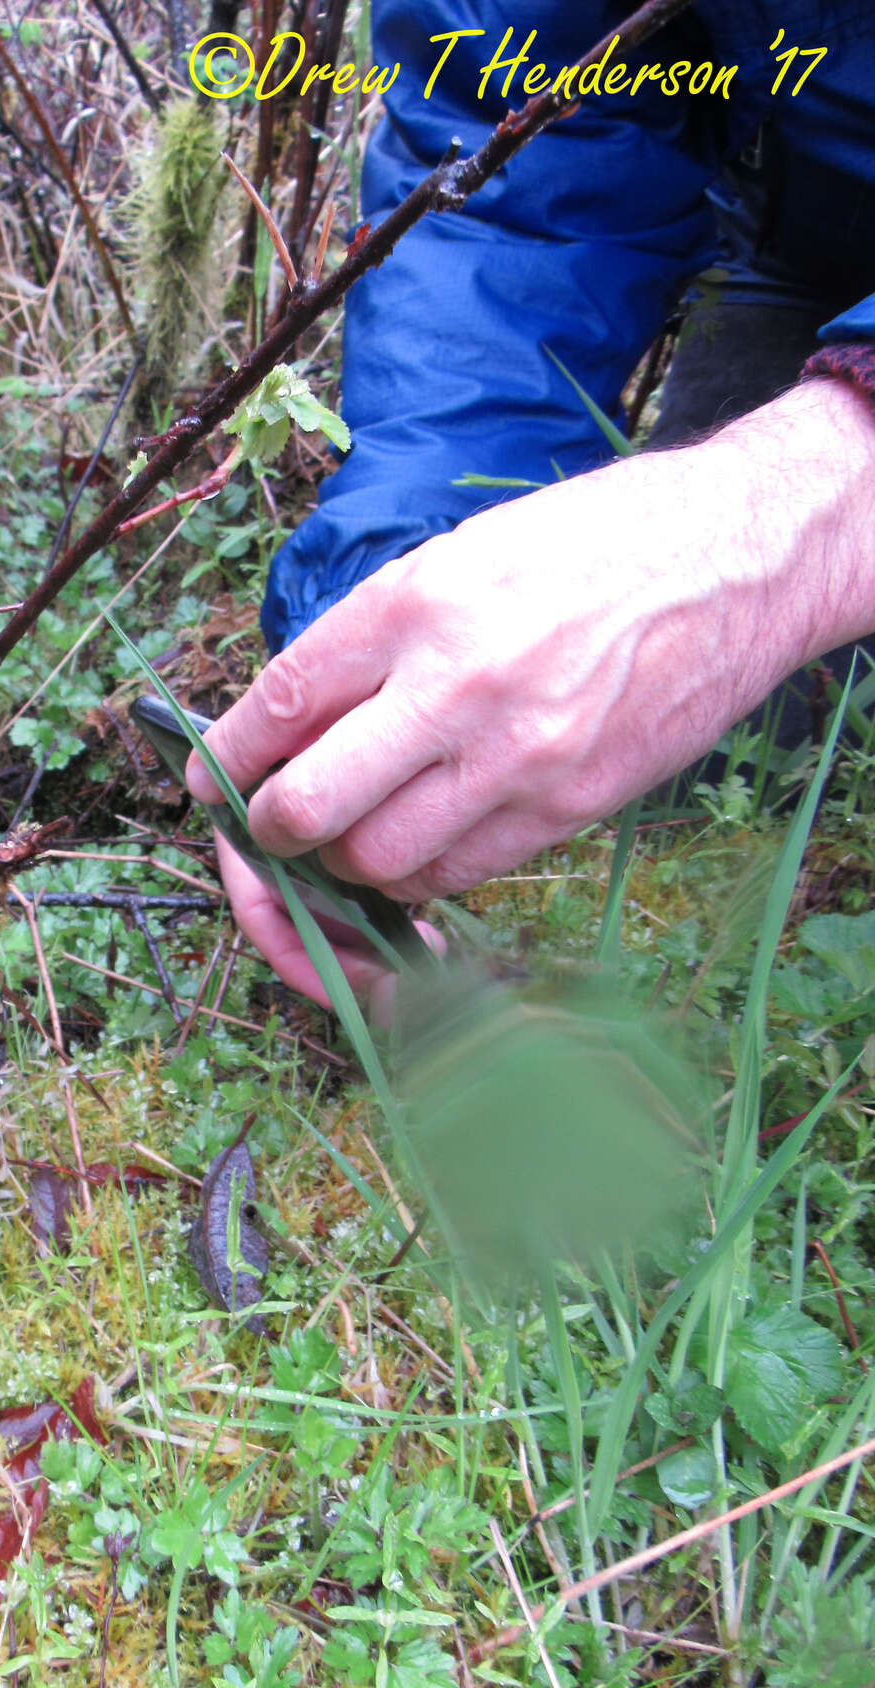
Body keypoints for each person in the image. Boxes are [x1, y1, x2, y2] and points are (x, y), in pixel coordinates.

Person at [186, 0, 875, 1013]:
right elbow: (516, 160)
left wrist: (781, 528)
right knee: (710, 776)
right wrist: (395, 591)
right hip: (810, 234)